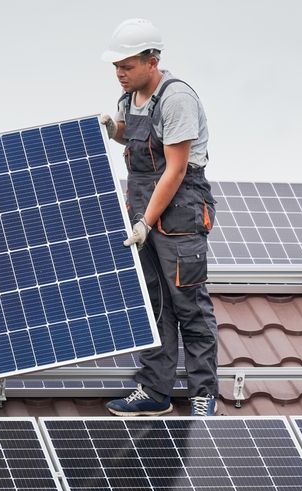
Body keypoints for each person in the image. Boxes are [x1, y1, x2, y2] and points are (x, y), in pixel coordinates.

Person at [99, 18, 219, 417]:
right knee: (153, 303)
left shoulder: (175, 98)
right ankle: (155, 389)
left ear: (152, 61)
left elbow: (176, 169)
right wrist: (113, 128)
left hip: (179, 212)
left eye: (128, 65)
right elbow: (131, 139)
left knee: (189, 303)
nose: (120, 73)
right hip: (142, 209)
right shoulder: (128, 96)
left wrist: (146, 223)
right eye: (116, 66)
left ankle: (203, 392)